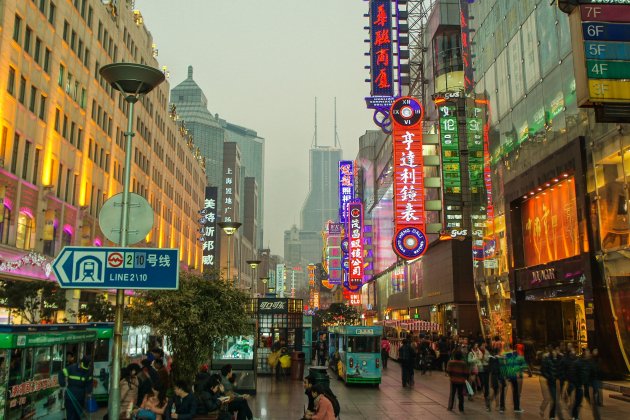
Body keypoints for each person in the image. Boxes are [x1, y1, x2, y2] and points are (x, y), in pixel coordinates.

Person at [59, 354, 93, 420]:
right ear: (80, 363)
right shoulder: (72, 368)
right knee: (71, 417)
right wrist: (62, 383)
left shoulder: (88, 371)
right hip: (70, 398)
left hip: (80, 398)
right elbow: (61, 373)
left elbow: (89, 382)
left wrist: (89, 392)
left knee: (78, 416)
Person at [501, 344, 526, 413]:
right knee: (505, 391)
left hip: (512, 375)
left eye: (506, 347)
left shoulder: (512, 354)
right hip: (508, 375)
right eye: (505, 347)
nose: (505, 348)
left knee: (514, 391)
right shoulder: (506, 354)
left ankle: (516, 408)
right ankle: (503, 407)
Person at [540, 346, 560, 419]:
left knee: (554, 399)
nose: (556, 352)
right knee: (549, 398)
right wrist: (549, 377)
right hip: (549, 381)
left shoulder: (559, 359)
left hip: (555, 381)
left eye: (557, 350)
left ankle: (551, 415)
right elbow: (543, 371)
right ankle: (544, 410)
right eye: (555, 350)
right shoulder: (547, 359)